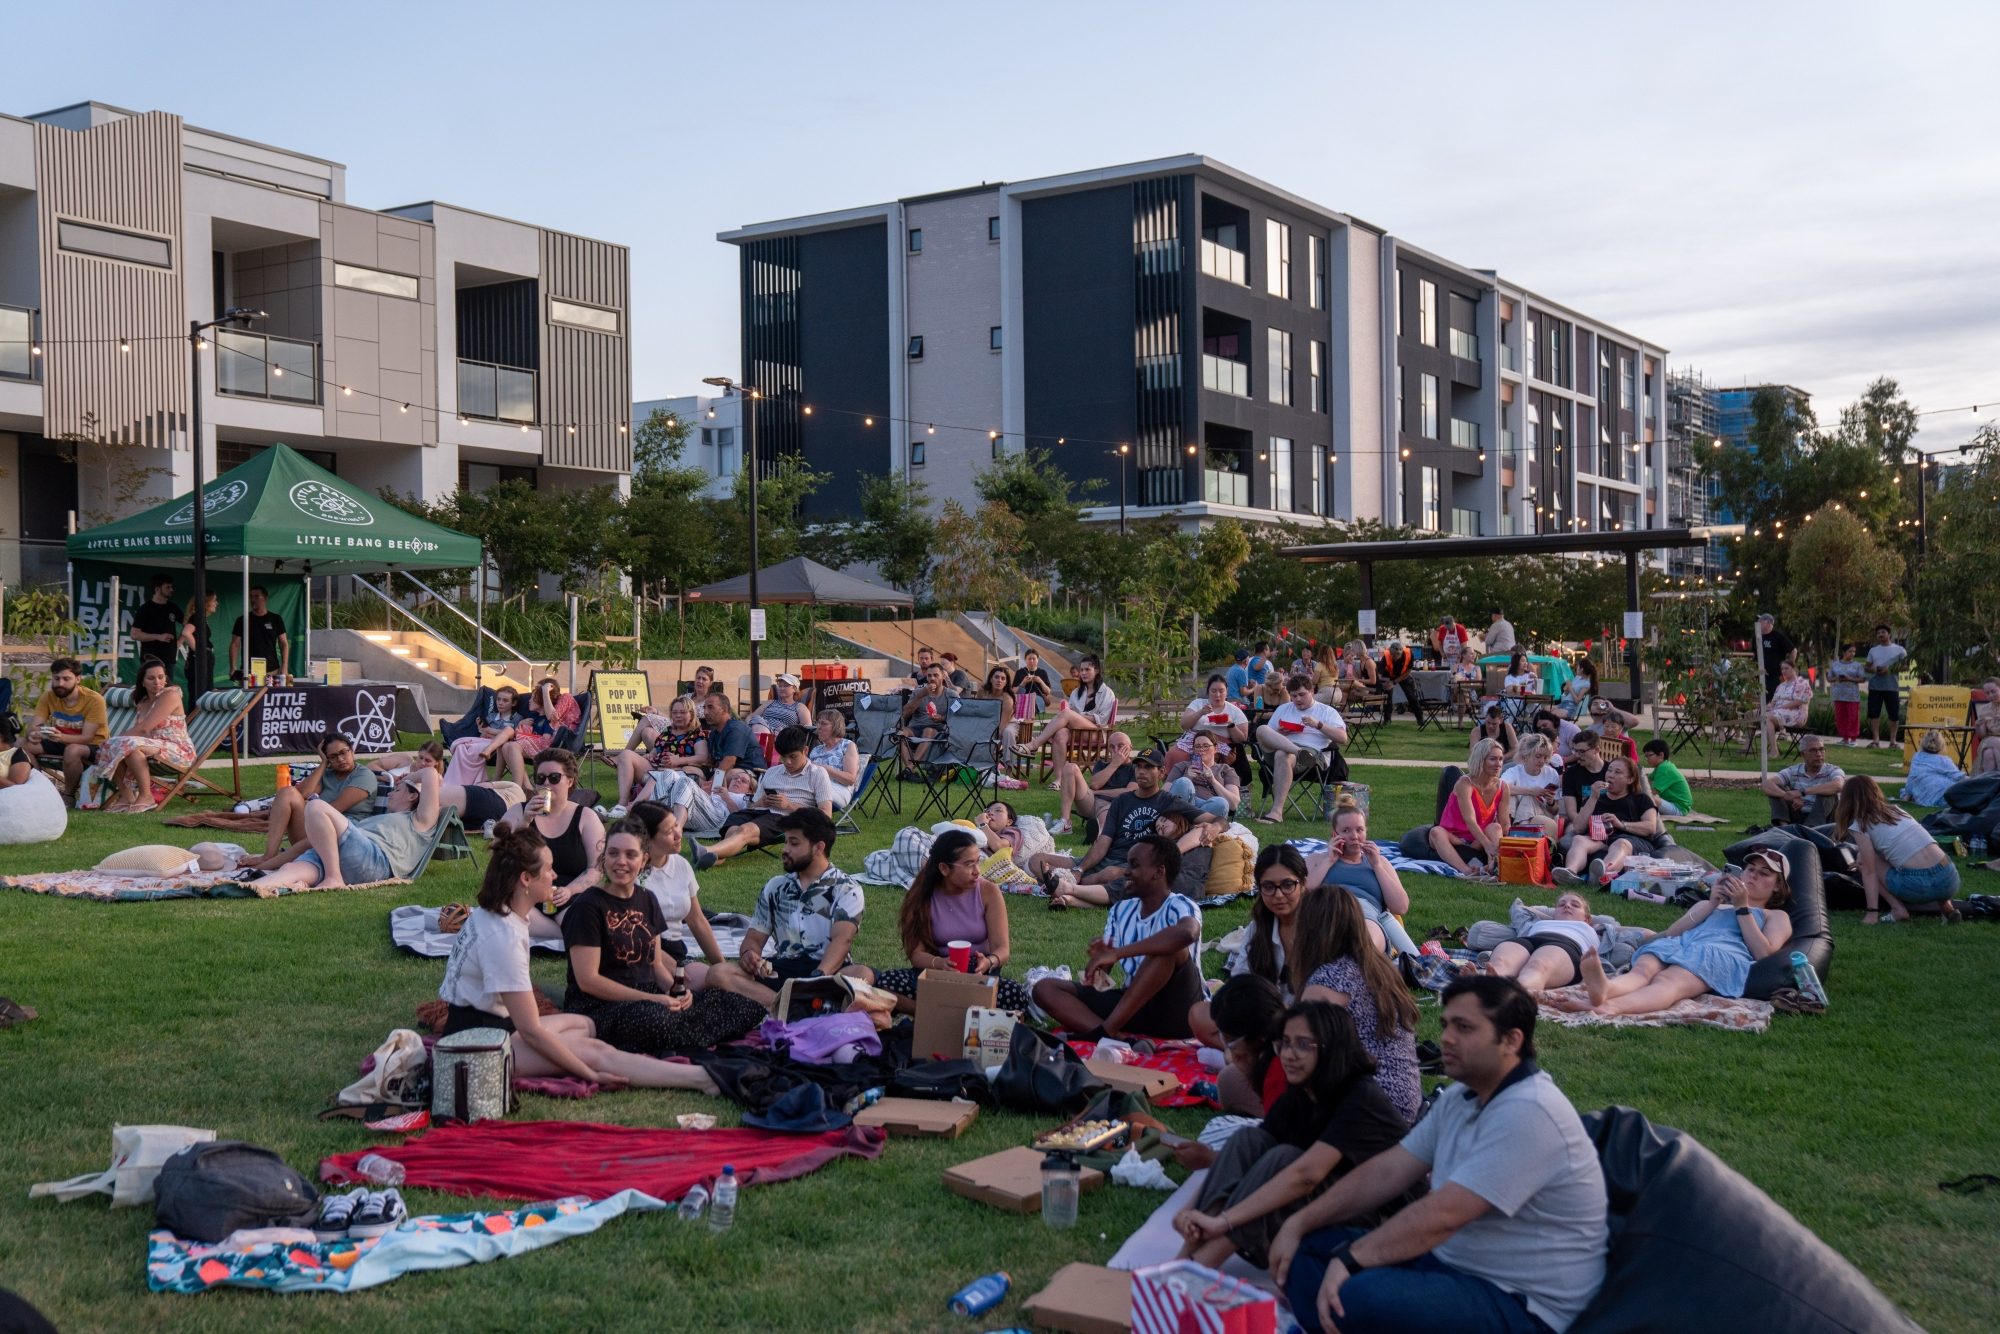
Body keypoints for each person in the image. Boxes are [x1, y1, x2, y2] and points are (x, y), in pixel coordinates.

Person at [1272, 976, 1607, 1334]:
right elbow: (1387, 1172)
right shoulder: (1464, 1096)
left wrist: (1351, 1258)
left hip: (1521, 1301)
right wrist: (1299, 1222)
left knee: (1356, 1294)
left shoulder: (1532, 1111)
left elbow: (1444, 1214)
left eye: (1464, 1027)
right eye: (1446, 1024)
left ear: (1511, 1040)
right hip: (1451, 1264)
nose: (1446, 1037)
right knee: (1306, 1254)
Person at [436, 823, 719, 1093]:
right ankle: (701, 1079)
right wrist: (588, 1073)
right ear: (525, 879)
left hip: (491, 1025)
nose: (555, 875)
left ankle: (588, 1051)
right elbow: (531, 1029)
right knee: (597, 1052)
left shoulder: (499, 914)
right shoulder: (503, 936)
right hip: (478, 1044)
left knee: (585, 1024)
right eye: (548, 869)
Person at [1175, 1002, 1410, 1273]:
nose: (1289, 1054)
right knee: (1248, 1139)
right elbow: (1250, 1150)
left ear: (1332, 1049)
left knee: (1284, 1159)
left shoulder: (1360, 1097)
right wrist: (1189, 1211)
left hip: (1382, 1220)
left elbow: (1306, 1175)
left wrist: (1226, 1221)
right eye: (1285, 1043)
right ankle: (1188, 1250)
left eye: (1303, 1045)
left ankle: (1201, 1263)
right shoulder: (1302, 1092)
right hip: (1331, 1203)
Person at [559, 821, 767, 1054]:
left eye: (631, 854)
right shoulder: (587, 908)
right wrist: (652, 1000)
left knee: (738, 1004)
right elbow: (589, 981)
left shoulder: (646, 899)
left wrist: (676, 991)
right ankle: (689, 1034)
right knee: (656, 1019)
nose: (621, 862)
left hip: (648, 993)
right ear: (603, 857)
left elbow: (655, 963)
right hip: (601, 1005)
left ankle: (684, 1033)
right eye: (613, 853)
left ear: (644, 860)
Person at [1556, 849, 1794, 1016]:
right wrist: (1711, 904)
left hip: (1718, 954)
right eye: (1750, 869)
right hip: (1680, 944)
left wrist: (1743, 908)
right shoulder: (1712, 905)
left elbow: (1764, 953)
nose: (1753, 875)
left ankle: (1608, 1008)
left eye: (1765, 873)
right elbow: (1672, 932)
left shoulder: (1776, 916)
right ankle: (1606, 990)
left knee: (1667, 980)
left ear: (1777, 887)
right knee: (1643, 969)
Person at [1030, 834, 1204, 1040]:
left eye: (1135, 865)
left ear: (1159, 872)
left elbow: (1187, 934)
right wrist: (1096, 970)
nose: (1127, 872)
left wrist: (1118, 953)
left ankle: (1105, 1032)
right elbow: (1100, 985)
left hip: (1180, 1012)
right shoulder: (1121, 910)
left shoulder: (1180, 905)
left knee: (1167, 949)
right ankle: (1119, 1040)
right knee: (1045, 988)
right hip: (1134, 1006)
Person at [706, 808, 872, 1010]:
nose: (785, 849)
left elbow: (842, 940)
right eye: (786, 842)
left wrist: (817, 978)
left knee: (863, 974)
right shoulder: (776, 886)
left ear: (819, 848)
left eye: (794, 843)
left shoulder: (846, 888)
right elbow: (754, 938)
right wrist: (749, 954)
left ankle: (784, 1004)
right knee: (718, 973)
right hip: (783, 970)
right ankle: (794, 1006)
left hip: (827, 972)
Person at [1290, 887, 1423, 1124]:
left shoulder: (1326, 982)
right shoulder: (1381, 970)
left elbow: (1297, 1051)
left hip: (1363, 1110)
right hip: (1406, 1102)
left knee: (1236, 1081)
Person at [871, 829, 1030, 1014]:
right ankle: (934, 1012)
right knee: (886, 983)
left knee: (1016, 995)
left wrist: (988, 962)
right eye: (969, 864)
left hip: (980, 975)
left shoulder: (988, 892)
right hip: (939, 974)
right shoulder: (923, 896)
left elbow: (1002, 949)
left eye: (978, 861)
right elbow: (916, 955)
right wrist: (939, 963)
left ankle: (942, 1010)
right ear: (944, 869)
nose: (977, 871)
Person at [250, 764, 447, 890]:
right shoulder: (381, 819)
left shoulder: (420, 820)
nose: (390, 794)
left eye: (397, 790)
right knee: (291, 869)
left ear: (413, 796)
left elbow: (431, 774)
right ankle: (241, 888)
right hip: (346, 857)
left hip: (374, 860)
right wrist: (264, 865)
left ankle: (334, 878)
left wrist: (410, 776)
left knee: (316, 806)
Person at [1191, 844, 1309, 1048]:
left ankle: (1245, 1056)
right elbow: (1240, 979)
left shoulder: (1319, 926)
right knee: (1198, 1014)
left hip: (1307, 1022)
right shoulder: (1258, 928)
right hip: (1264, 1021)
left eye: (1288, 885)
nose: (1278, 895)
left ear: (1303, 884)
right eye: (1269, 887)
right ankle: (1254, 1055)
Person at [1032, 746, 1173, 908]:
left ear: (1161, 772)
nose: (1141, 771)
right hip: (1102, 859)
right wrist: (1079, 869)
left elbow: (1205, 818)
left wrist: (1209, 827)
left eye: (1148, 767)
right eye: (1139, 766)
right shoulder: (1122, 801)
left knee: (1110, 874)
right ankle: (1067, 885)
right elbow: (1103, 841)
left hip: (1126, 865)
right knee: (1037, 860)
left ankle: (1063, 887)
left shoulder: (1168, 801)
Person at [496, 748, 607, 941]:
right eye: (540, 778)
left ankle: (568, 931)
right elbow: (498, 859)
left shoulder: (586, 817)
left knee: (581, 917)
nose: (546, 783)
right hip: (528, 895)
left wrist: (569, 890)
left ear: (570, 781)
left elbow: (596, 869)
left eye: (554, 778)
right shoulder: (518, 812)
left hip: (571, 894)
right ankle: (566, 935)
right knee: (501, 908)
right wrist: (525, 821)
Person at [621, 801, 730, 989]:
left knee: (721, 979)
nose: (679, 834)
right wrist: (671, 968)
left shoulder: (680, 865)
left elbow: (697, 921)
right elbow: (632, 938)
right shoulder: (630, 875)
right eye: (669, 831)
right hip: (639, 959)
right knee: (698, 995)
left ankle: (777, 1006)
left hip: (676, 951)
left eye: (676, 826)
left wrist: (721, 965)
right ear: (647, 838)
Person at [1835, 774, 1961, 924]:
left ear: (1847, 800)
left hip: (1918, 885)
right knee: (1922, 855)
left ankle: (1897, 909)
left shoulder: (1860, 825)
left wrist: (1872, 912)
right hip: (1949, 877)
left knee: (1865, 864)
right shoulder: (1897, 811)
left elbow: (1870, 872)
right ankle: (1947, 908)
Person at [242, 735, 380, 871]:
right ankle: (269, 855)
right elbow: (301, 794)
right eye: (333, 756)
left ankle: (264, 866)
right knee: (287, 792)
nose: (340, 759)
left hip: (345, 834)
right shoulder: (328, 773)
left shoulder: (364, 776)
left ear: (352, 750)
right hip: (316, 827)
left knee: (321, 832)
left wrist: (310, 809)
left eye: (344, 752)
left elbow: (336, 808)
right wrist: (323, 764)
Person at [701, 725, 835, 863]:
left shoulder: (817, 774)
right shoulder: (772, 772)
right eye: (783, 757)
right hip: (760, 812)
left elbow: (826, 816)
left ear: (805, 750)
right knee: (734, 827)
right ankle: (716, 858)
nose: (787, 762)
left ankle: (708, 851)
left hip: (786, 817)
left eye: (793, 757)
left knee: (745, 829)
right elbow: (753, 806)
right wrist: (761, 802)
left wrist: (789, 805)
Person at [1307, 798, 1421, 957]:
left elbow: (1400, 907)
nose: (1354, 836)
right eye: (1346, 830)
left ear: (1366, 831)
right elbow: (1303, 895)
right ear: (1335, 834)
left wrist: (1377, 867)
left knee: (1363, 941)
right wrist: (1329, 861)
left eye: (1359, 830)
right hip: (1329, 913)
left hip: (1367, 917)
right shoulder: (1317, 859)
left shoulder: (1380, 862)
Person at [97, 660, 196, 813]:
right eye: (151, 678)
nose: (157, 682)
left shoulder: (171, 694)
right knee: (126, 748)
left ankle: (146, 797)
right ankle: (127, 797)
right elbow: (140, 732)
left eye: (161, 677)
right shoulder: (143, 702)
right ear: (142, 682)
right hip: (151, 747)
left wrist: (114, 741)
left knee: (124, 744)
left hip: (178, 750)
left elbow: (144, 729)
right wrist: (112, 742)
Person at [1255, 676, 1349, 825]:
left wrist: (1318, 725)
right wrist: (1280, 732)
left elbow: (1343, 738)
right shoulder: (1283, 709)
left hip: (1312, 756)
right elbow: (1268, 736)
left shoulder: (1326, 711)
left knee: (1283, 755)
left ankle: (1276, 812)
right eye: (1293, 696)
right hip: (1283, 750)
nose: (1297, 699)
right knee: (1262, 729)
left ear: (1312, 691)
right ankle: (1298, 752)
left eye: (1302, 694)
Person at [1557, 755, 1662, 886]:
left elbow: (1650, 827)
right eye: (1609, 770)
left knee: (1620, 843)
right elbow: (1577, 828)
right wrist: (1593, 798)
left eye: (1617, 772)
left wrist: (1621, 824)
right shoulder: (1595, 798)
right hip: (1601, 839)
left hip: (1631, 840)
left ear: (1630, 779)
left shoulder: (1641, 799)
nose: (1610, 775)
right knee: (1579, 840)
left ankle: (1603, 875)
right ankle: (1570, 873)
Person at [1201, 974, 1292, 1120]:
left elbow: (1278, 1135)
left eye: (1229, 1042)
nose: (1230, 1051)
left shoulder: (1279, 1074)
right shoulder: (1283, 1041)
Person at [1486, 892, 1616, 994]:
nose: (1567, 906)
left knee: (1538, 966)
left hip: (1566, 945)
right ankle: (1492, 982)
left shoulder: (1595, 928)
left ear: (1587, 919)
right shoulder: (1538, 922)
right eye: (1561, 904)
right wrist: (1552, 915)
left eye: (1575, 905)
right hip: (1529, 940)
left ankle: (1517, 991)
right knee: (1500, 962)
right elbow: (1521, 908)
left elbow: (1631, 931)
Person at [23, 659, 108, 802]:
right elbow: (34, 726)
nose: (60, 683)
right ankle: (41, 789)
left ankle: (68, 796)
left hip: (94, 746)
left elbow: (87, 737)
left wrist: (60, 737)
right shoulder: (49, 696)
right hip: (60, 740)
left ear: (78, 679)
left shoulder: (94, 700)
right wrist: (33, 734)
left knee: (73, 750)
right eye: (56, 679)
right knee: (21, 744)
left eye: (66, 679)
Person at [1014, 655, 1116, 766]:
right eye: (1081, 670)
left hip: (1096, 733)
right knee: (1060, 734)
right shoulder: (1076, 692)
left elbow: (1102, 719)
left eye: (1087, 669)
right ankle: (1059, 779)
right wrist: (1072, 717)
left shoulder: (1107, 692)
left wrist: (1074, 716)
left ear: (1096, 671)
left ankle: (1034, 745)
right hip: (1075, 731)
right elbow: (1068, 714)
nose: (1083, 673)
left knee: (1067, 714)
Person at [1430, 737, 1507, 879]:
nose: (1498, 764)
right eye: (1493, 759)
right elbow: (1469, 820)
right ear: (1481, 760)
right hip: (1455, 837)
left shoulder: (1503, 786)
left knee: (1496, 827)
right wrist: (1487, 844)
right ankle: (1466, 871)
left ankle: (1493, 867)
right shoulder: (1465, 784)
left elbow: (1504, 823)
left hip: (1477, 840)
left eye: (1501, 759)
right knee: (1435, 832)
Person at [617, 695, 710, 806]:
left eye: (682, 712)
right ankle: (622, 802)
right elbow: (656, 750)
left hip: (679, 772)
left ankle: (633, 806)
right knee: (626, 754)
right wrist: (650, 756)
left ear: (691, 714)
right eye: (675, 713)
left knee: (663, 774)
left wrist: (678, 760)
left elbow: (702, 756)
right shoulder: (668, 731)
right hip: (657, 767)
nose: (678, 716)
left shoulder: (696, 734)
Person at [500, 676, 580, 791]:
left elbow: (551, 717)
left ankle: (516, 789)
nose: (531, 698)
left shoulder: (566, 697)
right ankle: (527, 788)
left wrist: (545, 691)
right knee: (506, 746)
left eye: (539, 691)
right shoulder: (541, 713)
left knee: (512, 746)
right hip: (545, 741)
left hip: (559, 743)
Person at [1050, 730, 1136, 836]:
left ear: (1130, 747)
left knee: (1105, 820)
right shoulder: (1102, 764)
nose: (1116, 750)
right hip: (1091, 803)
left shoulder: (1135, 768)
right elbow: (1095, 784)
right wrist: (1115, 764)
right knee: (1070, 767)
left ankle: (1099, 833)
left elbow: (1129, 792)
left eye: (1121, 746)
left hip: (1114, 805)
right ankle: (1065, 822)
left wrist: (1097, 792)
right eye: (1112, 747)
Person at [445, 685, 523, 785]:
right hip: (484, 741)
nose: (500, 703)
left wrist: (490, 731)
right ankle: (457, 781)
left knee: (469, 749)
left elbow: (514, 735)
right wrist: (482, 728)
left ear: (514, 703)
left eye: (505, 700)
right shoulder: (491, 716)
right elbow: (483, 732)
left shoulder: (517, 719)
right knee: (461, 748)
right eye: (498, 699)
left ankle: (470, 781)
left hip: (499, 749)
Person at [1760, 735, 1845, 827]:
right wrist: (1788, 795)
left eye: (1821, 749)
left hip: (1824, 820)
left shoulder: (1833, 770)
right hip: (1798, 814)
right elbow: (1766, 784)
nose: (1819, 754)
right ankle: (1784, 828)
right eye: (1813, 750)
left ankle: (1811, 830)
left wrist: (1801, 792)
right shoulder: (1793, 771)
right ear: (1802, 754)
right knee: (1776, 789)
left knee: (1828, 792)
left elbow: (1839, 785)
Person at [1168, 674, 1250, 770]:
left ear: (1226, 691)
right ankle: (1174, 781)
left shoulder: (1234, 711)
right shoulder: (1198, 703)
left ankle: (1202, 781)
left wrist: (1231, 724)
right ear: (1208, 691)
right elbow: (1184, 725)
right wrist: (1201, 712)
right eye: (1213, 691)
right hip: (1193, 739)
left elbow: (1241, 739)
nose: (1217, 695)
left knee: (1206, 756)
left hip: (1219, 743)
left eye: (1221, 691)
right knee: (1175, 754)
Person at [1166, 731, 1240, 820]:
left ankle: (1186, 825)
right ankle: (1191, 825)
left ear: (1215, 748)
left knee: (1221, 803)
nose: (1201, 749)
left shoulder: (1225, 769)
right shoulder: (1182, 766)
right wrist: (1187, 777)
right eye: (1197, 746)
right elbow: (1163, 795)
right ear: (1193, 750)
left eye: (1206, 746)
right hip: (1185, 805)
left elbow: (1233, 804)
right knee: (1184, 782)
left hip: (1209, 808)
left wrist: (1213, 781)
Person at [1498, 734, 1562, 836]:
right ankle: (1511, 831)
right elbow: (1500, 787)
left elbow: (1555, 811)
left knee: (1529, 799)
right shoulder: (1514, 771)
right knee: (1509, 797)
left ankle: (1518, 834)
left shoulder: (1551, 773)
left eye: (1545, 757)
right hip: (1515, 814)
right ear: (1525, 756)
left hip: (1543, 817)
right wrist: (1531, 791)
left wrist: (1551, 802)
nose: (1542, 761)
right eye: (1538, 756)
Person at [899, 660, 958, 768]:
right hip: (916, 728)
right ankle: (909, 768)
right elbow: (904, 714)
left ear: (943, 677)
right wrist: (921, 695)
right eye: (929, 676)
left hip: (939, 731)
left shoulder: (951, 695)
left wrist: (943, 719)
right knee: (900, 732)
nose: (932, 678)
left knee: (928, 731)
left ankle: (910, 767)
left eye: (936, 675)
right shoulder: (918, 692)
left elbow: (958, 718)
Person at [229, 585, 289, 680]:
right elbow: (235, 644)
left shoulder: (276, 619)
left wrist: (284, 666)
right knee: (250, 695)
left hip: (272, 670)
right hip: (248, 671)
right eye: (251, 596)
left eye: (257, 596)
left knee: (270, 694)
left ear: (265, 598)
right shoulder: (242, 620)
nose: (253, 599)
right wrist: (233, 666)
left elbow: (284, 643)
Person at [128, 573, 182, 677]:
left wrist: (179, 641)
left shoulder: (173, 607)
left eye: (171, 587)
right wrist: (158, 637)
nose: (171, 590)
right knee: (153, 689)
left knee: (167, 690)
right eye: (168, 587)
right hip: (150, 659)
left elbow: (189, 624)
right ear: (157, 589)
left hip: (169, 659)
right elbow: (134, 634)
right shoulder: (145, 609)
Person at [701, 690, 760, 783]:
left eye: (710, 707)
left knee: (730, 775)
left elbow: (729, 762)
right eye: (704, 708)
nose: (705, 712)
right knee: (692, 773)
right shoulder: (714, 733)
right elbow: (710, 762)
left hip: (749, 774)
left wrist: (712, 783)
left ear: (724, 709)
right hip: (726, 773)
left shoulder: (736, 729)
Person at [1865, 624, 1909, 748]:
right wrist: (1872, 669)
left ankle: (1893, 741)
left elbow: (1906, 666)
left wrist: (1889, 669)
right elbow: (1866, 667)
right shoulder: (1873, 650)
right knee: (1874, 714)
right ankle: (1876, 740)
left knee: (1894, 715)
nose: (1880, 635)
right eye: (1878, 633)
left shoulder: (1899, 650)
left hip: (1892, 686)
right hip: (1875, 686)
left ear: (1889, 634)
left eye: (1883, 632)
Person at [807, 709, 861, 808]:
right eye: (817, 723)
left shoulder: (847, 745)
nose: (818, 727)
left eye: (823, 724)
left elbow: (850, 779)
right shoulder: (816, 750)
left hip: (840, 789)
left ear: (836, 726)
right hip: (814, 786)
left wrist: (823, 769)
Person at [1901, 731, 1967, 808]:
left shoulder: (1916, 757)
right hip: (1943, 798)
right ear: (1942, 746)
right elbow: (1960, 777)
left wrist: (1908, 795)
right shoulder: (1944, 760)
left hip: (1922, 798)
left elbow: (1912, 779)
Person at [1558, 728, 1607, 829]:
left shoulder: (1611, 772)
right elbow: (1571, 812)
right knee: (1567, 841)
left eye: (1581, 751)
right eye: (1575, 751)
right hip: (1581, 824)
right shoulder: (1571, 773)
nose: (1577, 755)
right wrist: (1588, 827)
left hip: (1609, 823)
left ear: (1596, 749)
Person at [1761, 660, 1814, 753]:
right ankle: (1749, 747)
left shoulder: (1802, 683)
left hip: (1795, 713)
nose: (1784, 671)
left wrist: (1779, 708)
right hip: (1777, 712)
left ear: (1794, 669)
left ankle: (1774, 750)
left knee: (1767, 717)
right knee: (1754, 714)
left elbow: (1798, 702)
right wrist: (1767, 706)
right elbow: (1773, 702)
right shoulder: (1781, 686)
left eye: (1786, 668)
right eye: (1782, 669)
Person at [747, 671, 814, 737]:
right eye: (780, 686)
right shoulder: (770, 703)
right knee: (756, 720)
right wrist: (747, 726)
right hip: (763, 728)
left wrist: (788, 733)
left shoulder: (799, 707)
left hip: (783, 736)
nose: (781, 688)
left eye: (785, 686)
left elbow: (807, 727)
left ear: (794, 689)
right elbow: (751, 717)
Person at [1826, 643, 1867, 747]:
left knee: (1852, 717)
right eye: (1850, 651)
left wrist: (1850, 678)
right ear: (1844, 652)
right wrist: (1837, 678)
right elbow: (1829, 678)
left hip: (1852, 696)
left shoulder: (1857, 665)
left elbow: (1862, 679)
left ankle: (1853, 739)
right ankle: (1844, 738)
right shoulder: (1835, 664)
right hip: (1838, 695)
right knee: (1840, 717)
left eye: (1854, 651)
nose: (1852, 653)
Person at [1642, 738, 1694, 816]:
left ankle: (1652, 814)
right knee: (1646, 797)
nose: (1647, 759)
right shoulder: (1662, 766)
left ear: (1661, 755)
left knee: (1649, 798)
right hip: (1673, 804)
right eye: (1646, 756)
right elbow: (1647, 780)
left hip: (1679, 808)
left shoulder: (1664, 769)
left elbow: (1653, 791)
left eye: (1649, 755)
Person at [1756, 611, 1796, 701]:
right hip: (1761, 675)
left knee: (1775, 700)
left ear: (1767, 623)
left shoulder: (1778, 636)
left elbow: (1793, 651)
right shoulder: (1757, 637)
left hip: (1776, 676)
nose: (1758, 622)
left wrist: (1789, 667)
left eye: (1760, 621)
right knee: (1763, 701)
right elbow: (1755, 655)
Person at [1012, 647, 1057, 715]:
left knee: (1033, 700)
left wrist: (1040, 681)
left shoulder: (1042, 672)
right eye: (1029, 659)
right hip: (1023, 698)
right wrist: (1023, 682)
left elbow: (1048, 692)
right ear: (1025, 660)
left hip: (1037, 699)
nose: (1031, 661)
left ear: (1037, 660)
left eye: (1034, 659)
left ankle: (1028, 719)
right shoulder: (1020, 672)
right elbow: (1013, 691)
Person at [1376, 641, 1415, 719]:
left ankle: (1419, 717)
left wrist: (1394, 682)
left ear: (1400, 654)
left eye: (1395, 656)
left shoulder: (1409, 654)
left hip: (1402, 675)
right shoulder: (1386, 657)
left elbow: (1407, 672)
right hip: (1388, 675)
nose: (1393, 657)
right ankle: (1387, 720)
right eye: (1392, 655)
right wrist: (1383, 683)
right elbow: (1379, 674)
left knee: (1411, 694)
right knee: (1388, 697)